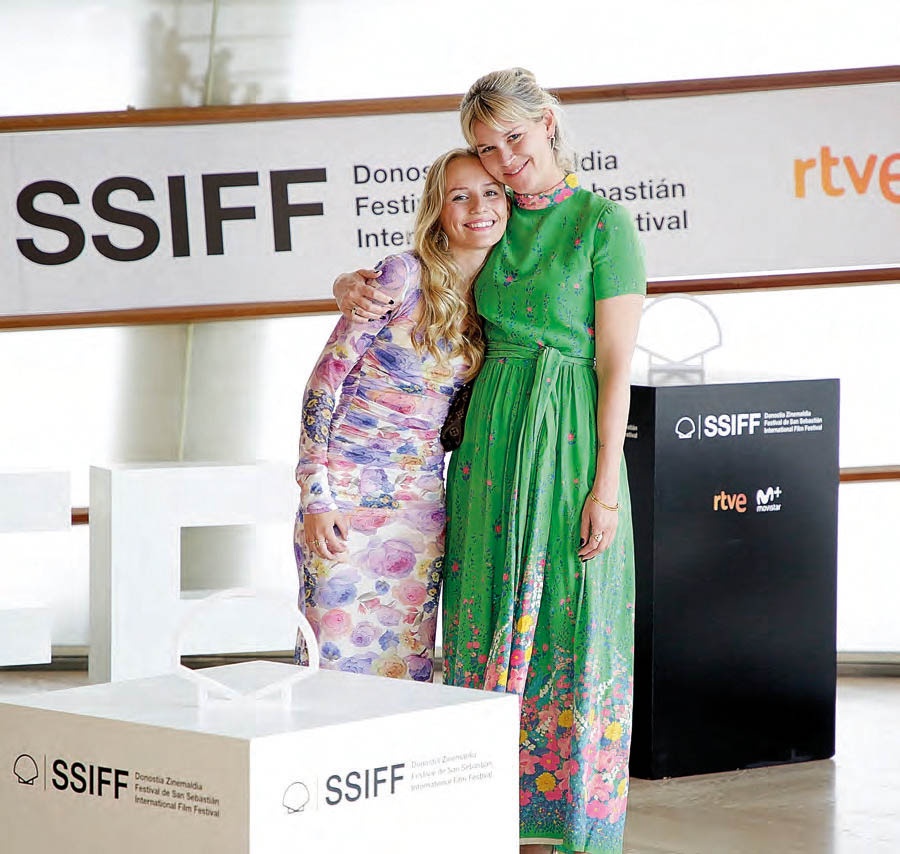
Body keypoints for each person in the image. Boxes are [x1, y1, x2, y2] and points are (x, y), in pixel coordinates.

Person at [334, 68, 645, 854]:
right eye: (487, 147)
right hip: (487, 446)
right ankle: (484, 814)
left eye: (515, 137)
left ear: (548, 124)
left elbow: (617, 364)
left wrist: (606, 486)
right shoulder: (494, 218)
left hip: (568, 435)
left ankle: (566, 824)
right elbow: (421, 272)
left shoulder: (602, 223)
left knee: (570, 616)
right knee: (482, 610)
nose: (505, 159)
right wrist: (347, 284)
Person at [294, 148, 508, 682]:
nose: (479, 207)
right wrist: (316, 493)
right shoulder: (403, 275)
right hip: (345, 492)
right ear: (438, 209)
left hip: (421, 502)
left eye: (491, 193)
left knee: (405, 664)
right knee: (332, 659)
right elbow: (326, 379)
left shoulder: (500, 293)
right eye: (460, 196)